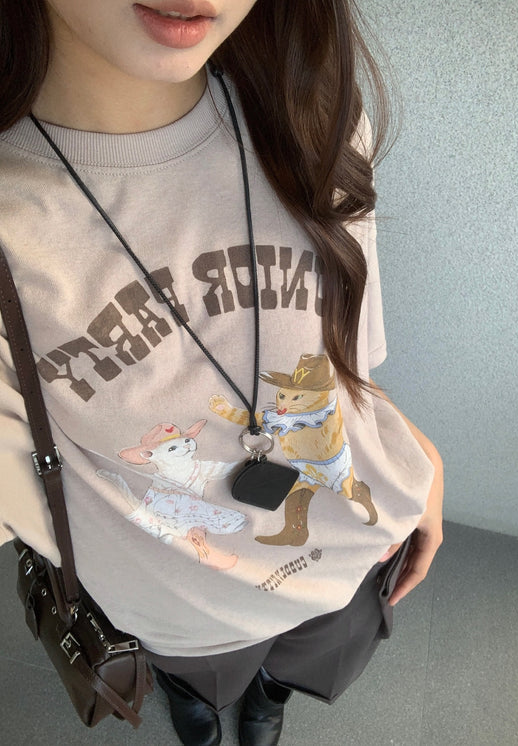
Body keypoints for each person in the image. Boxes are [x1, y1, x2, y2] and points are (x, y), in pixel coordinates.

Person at [0, 2, 443, 745]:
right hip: (179, 611)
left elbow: (346, 355)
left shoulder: (310, 118)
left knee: (301, 665)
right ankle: (202, 705)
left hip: (353, 548)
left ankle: (270, 696)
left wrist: (416, 459)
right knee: (201, 684)